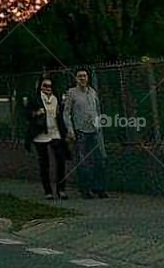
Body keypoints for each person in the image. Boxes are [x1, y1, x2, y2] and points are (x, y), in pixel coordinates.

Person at [64, 69, 108, 198]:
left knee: (99, 160)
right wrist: (70, 130)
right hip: (81, 131)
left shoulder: (92, 92)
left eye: (84, 76)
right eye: (79, 76)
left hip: (94, 130)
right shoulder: (72, 93)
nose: (82, 78)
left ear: (88, 78)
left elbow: (97, 110)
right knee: (83, 162)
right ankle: (85, 190)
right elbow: (66, 113)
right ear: (76, 79)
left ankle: (99, 188)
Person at [24, 76, 70, 200]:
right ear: (40, 87)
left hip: (55, 133)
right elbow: (27, 114)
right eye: (45, 86)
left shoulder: (56, 98)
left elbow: (60, 115)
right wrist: (35, 113)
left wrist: (64, 132)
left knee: (60, 160)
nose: (48, 88)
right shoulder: (35, 99)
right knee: (44, 163)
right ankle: (48, 191)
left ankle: (61, 189)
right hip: (41, 134)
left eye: (50, 86)